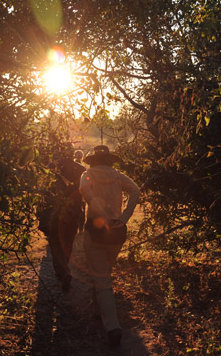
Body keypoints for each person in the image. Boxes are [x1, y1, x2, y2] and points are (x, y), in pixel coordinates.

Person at [79, 145, 140, 347]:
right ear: (109, 161)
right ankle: (99, 311)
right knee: (104, 272)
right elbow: (136, 191)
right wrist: (124, 217)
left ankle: (113, 327)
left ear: (93, 160)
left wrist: (101, 214)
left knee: (101, 277)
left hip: (96, 231)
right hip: (117, 232)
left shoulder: (87, 175)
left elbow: (85, 193)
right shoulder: (118, 176)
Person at [40, 152, 86, 292]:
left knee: (55, 245)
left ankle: (63, 272)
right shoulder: (81, 171)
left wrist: (42, 217)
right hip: (72, 214)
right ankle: (64, 269)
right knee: (67, 243)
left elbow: (44, 196)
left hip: (54, 215)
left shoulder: (51, 171)